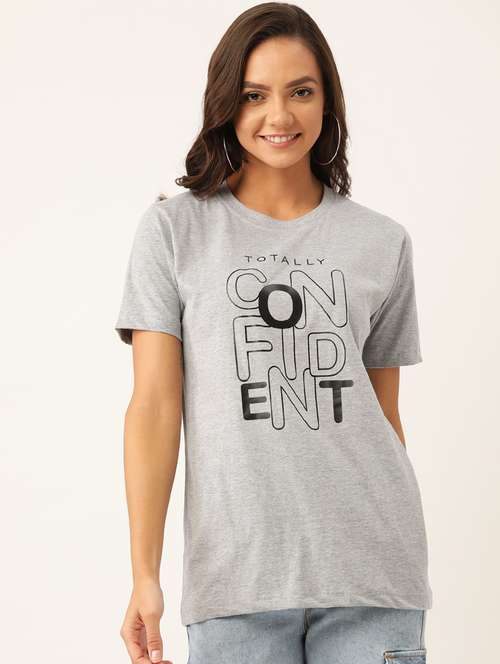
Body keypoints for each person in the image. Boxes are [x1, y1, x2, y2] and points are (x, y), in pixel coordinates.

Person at [115, 3, 432, 663]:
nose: (279, 116)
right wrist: (144, 574)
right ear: (225, 104)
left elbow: (384, 416)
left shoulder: (381, 242)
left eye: (301, 91)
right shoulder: (174, 232)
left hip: (375, 574)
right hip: (236, 582)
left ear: (328, 101)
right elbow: (154, 407)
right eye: (254, 95)